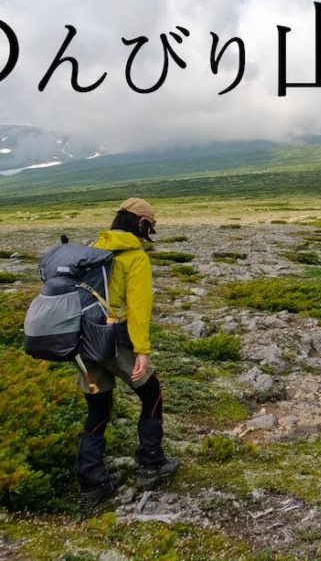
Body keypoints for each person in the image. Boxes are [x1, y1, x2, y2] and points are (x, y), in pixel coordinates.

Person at [77, 196, 179, 508]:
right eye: (150, 226)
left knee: (98, 410)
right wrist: (142, 352)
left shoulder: (93, 249)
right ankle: (151, 463)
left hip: (84, 340)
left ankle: (91, 484)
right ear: (143, 224)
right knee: (152, 394)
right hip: (116, 340)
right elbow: (138, 310)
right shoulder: (134, 258)